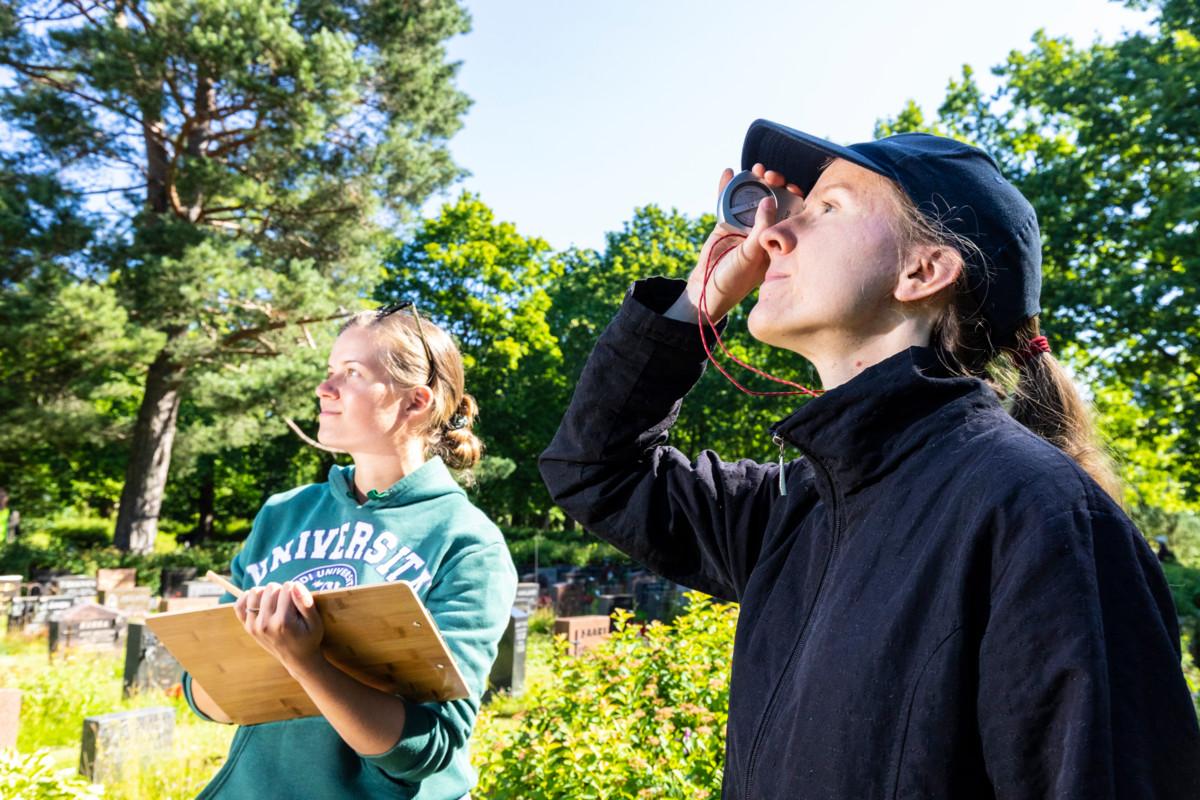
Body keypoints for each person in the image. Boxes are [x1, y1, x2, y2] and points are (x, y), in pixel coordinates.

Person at [539, 119, 1200, 798]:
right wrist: (697, 303)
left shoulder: (1041, 516)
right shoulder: (796, 508)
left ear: (923, 270)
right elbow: (596, 469)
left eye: (827, 208)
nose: (771, 233)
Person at [184, 303, 517, 800]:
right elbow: (206, 697)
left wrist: (307, 661)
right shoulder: (283, 513)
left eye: (352, 373)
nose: (325, 388)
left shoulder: (468, 542)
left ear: (415, 402)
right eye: (329, 371)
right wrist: (247, 651)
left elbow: (428, 748)